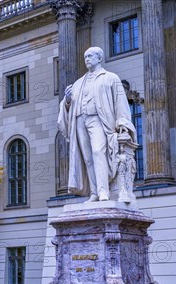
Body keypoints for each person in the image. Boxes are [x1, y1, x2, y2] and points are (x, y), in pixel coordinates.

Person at [58, 47, 136, 202]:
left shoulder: (111, 78)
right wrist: (67, 100)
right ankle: (94, 192)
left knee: (98, 152)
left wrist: (122, 122)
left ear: (100, 58)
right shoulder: (78, 83)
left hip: (98, 120)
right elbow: (67, 107)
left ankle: (103, 191)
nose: (87, 59)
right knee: (87, 158)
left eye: (90, 56)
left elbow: (120, 102)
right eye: (85, 57)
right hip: (79, 120)